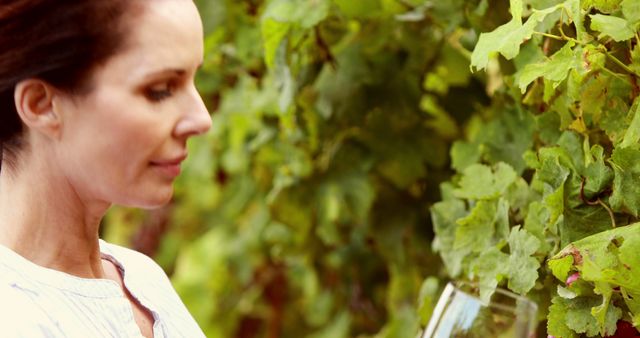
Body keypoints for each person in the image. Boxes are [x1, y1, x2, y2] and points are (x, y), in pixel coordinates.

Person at [0, 0, 212, 337]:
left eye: (193, 80)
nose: (202, 119)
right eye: (159, 91)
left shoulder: (142, 278)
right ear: (41, 105)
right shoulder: (14, 319)